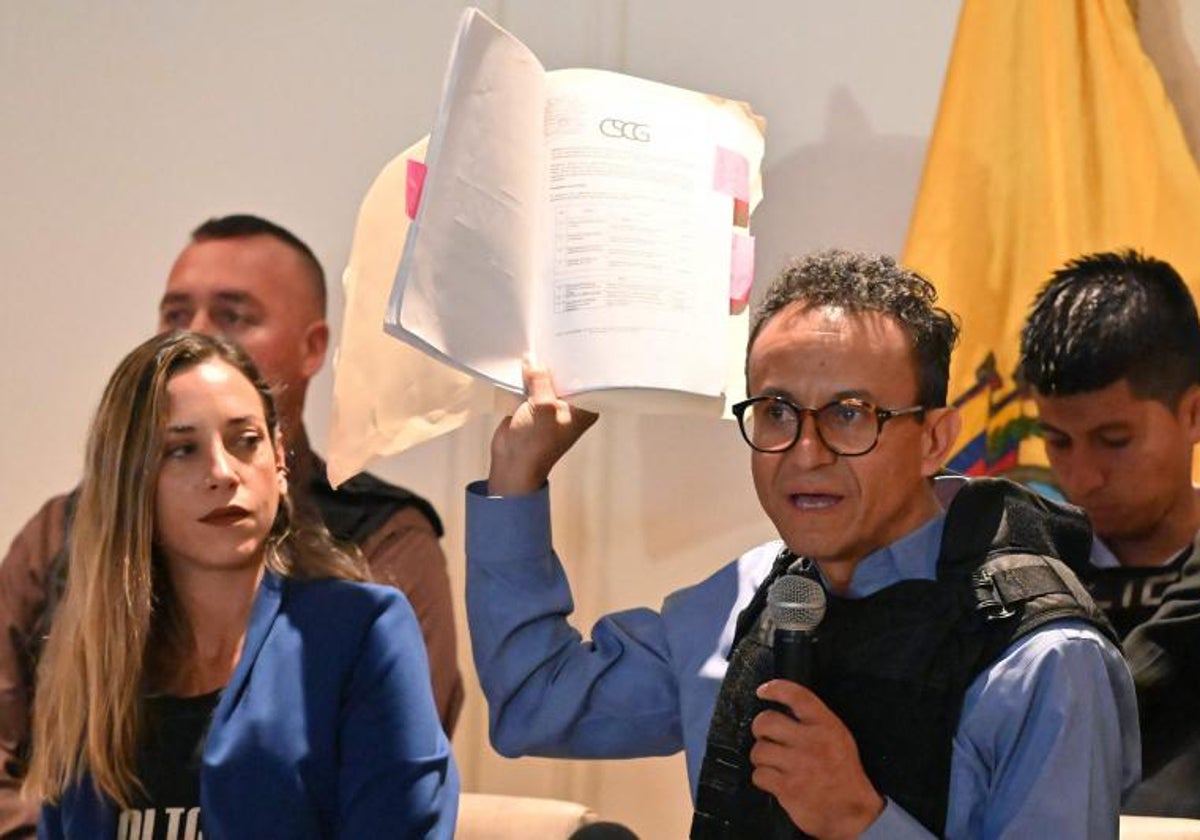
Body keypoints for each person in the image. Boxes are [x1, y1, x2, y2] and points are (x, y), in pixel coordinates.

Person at [466, 249, 1139, 838]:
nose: (804, 452)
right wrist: (518, 476)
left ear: (936, 438)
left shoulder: (1045, 659)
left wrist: (860, 820)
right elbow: (535, 702)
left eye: (851, 416)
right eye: (777, 412)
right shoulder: (747, 600)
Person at [0, 214, 461, 837]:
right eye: (180, 449)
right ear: (133, 478)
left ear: (276, 453)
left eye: (244, 441)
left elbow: (397, 801)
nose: (221, 473)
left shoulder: (370, 588)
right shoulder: (87, 635)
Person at [1020, 249, 1200, 816]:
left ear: (1194, 415)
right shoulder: (1010, 569)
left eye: (1114, 439)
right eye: (1058, 441)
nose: (1081, 477)